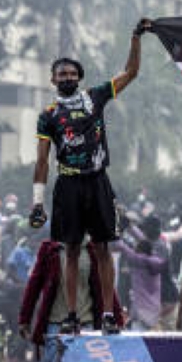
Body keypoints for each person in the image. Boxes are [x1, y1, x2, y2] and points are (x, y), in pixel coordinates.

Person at [30, 18, 152, 334]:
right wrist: (37, 203)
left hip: (97, 180)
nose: (67, 78)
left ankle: (109, 315)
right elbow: (42, 160)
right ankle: (72, 315)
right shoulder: (48, 116)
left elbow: (131, 73)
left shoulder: (95, 96)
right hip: (67, 184)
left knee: (102, 249)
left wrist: (135, 38)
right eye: (62, 74)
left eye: (72, 74)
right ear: (53, 79)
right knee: (69, 250)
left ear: (79, 77)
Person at [18, 239, 125, 362]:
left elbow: (106, 287)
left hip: (87, 321)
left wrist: (116, 317)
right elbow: (35, 283)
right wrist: (24, 318)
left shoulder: (93, 249)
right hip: (56, 321)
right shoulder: (50, 249)